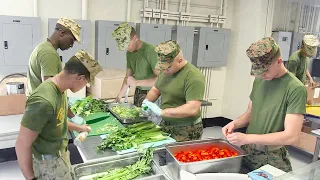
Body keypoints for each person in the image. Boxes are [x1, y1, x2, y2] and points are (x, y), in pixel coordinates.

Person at [222, 37, 306, 173]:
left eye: (265, 71)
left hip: (272, 156)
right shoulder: (260, 80)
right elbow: (250, 113)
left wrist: (247, 138)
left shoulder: (295, 88)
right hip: (247, 150)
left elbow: (291, 136)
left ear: (279, 62)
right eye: (258, 72)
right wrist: (235, 124)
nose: (262, 75)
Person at [16, 50, 102, 180]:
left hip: (60, 156)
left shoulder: (60, 90)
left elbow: (57, 121)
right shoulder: (43, 100)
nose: (85, 85)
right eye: (86, 82)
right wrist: (31, 178)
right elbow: (22, 144)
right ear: (80, 78)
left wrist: (80, 128)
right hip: (48, 165)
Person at [26, 17, 89, 132]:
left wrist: (70, 114)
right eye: (72, 40)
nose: (71, 45)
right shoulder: (48, 53)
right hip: (43, 113)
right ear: (62, 33)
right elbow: (51, 91)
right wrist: (74, 121)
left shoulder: (44, 48)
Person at [142, 40, 205, 142]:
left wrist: (161, 112)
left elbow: (192, 109)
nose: (164, 70)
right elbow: (156, 89)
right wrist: (147, 101)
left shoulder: (193, 76)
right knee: (163, 156)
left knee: (179, 157)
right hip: (166, 124)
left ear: (179, 61)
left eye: (168, 67)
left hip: (186, 130)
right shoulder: (165, 71)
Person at [112, 22, 159, 107]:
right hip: (138, 92)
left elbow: (161, 80)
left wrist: (137, 82)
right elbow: (128, 78)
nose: (127, 48)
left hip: (153, 93)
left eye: (128, 45)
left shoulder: (150, 51)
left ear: (135, 38)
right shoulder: (129, 53)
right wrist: (118, 98)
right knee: (137, 118)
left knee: (149, 119)